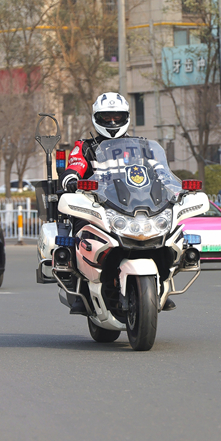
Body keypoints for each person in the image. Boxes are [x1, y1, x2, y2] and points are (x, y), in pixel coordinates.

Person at [59, 92, 177, 314]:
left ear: (126, 118)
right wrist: (72, 179)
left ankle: (161, 285)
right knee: (79, 235)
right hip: (96, 207)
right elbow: (73, 167)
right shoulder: (85, 147)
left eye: (117, 117)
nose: (112, 122)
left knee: (169, 235)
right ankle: (79, 289)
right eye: (107, 117)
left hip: (136, 206)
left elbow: (161, 172)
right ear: (97, 118)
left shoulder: (143, 147)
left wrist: (172, 187)